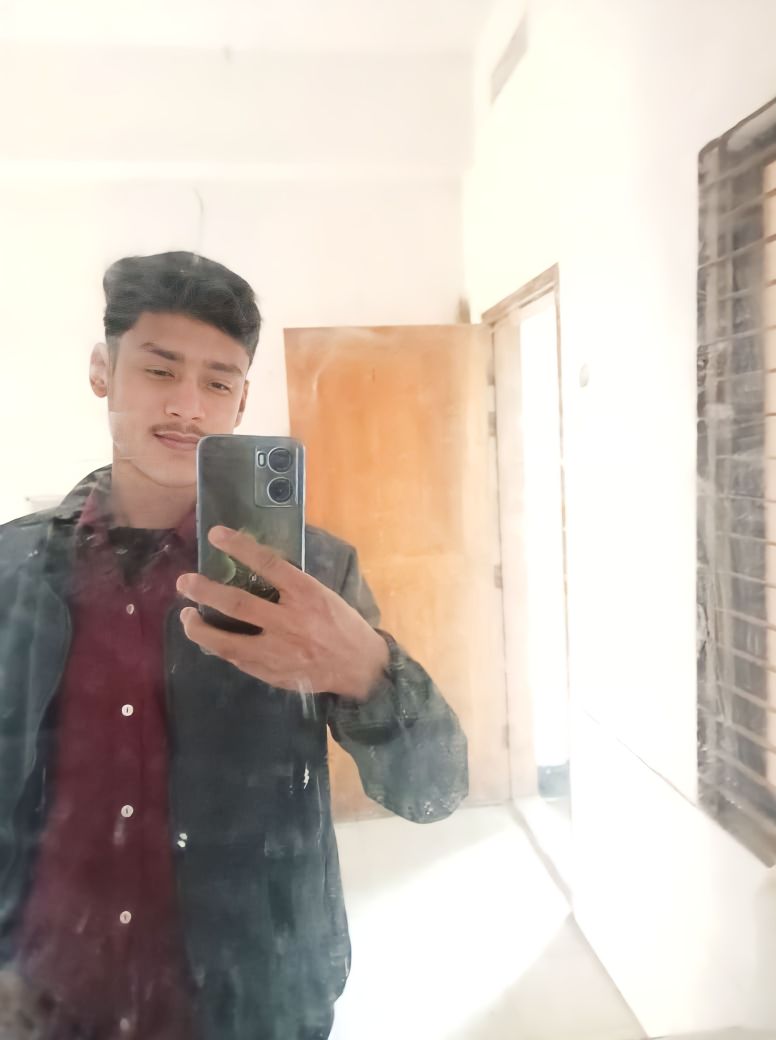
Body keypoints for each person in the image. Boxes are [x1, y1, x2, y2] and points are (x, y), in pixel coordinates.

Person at [0, 252, 468, 1040]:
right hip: (45, 999)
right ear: (102, 371)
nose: (187, 405)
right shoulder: (11, 566)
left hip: (254, 1001)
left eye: (217, 383)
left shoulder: (312, 572)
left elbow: (432, 790)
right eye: (159, 369)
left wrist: (368, 674)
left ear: (243, 399)